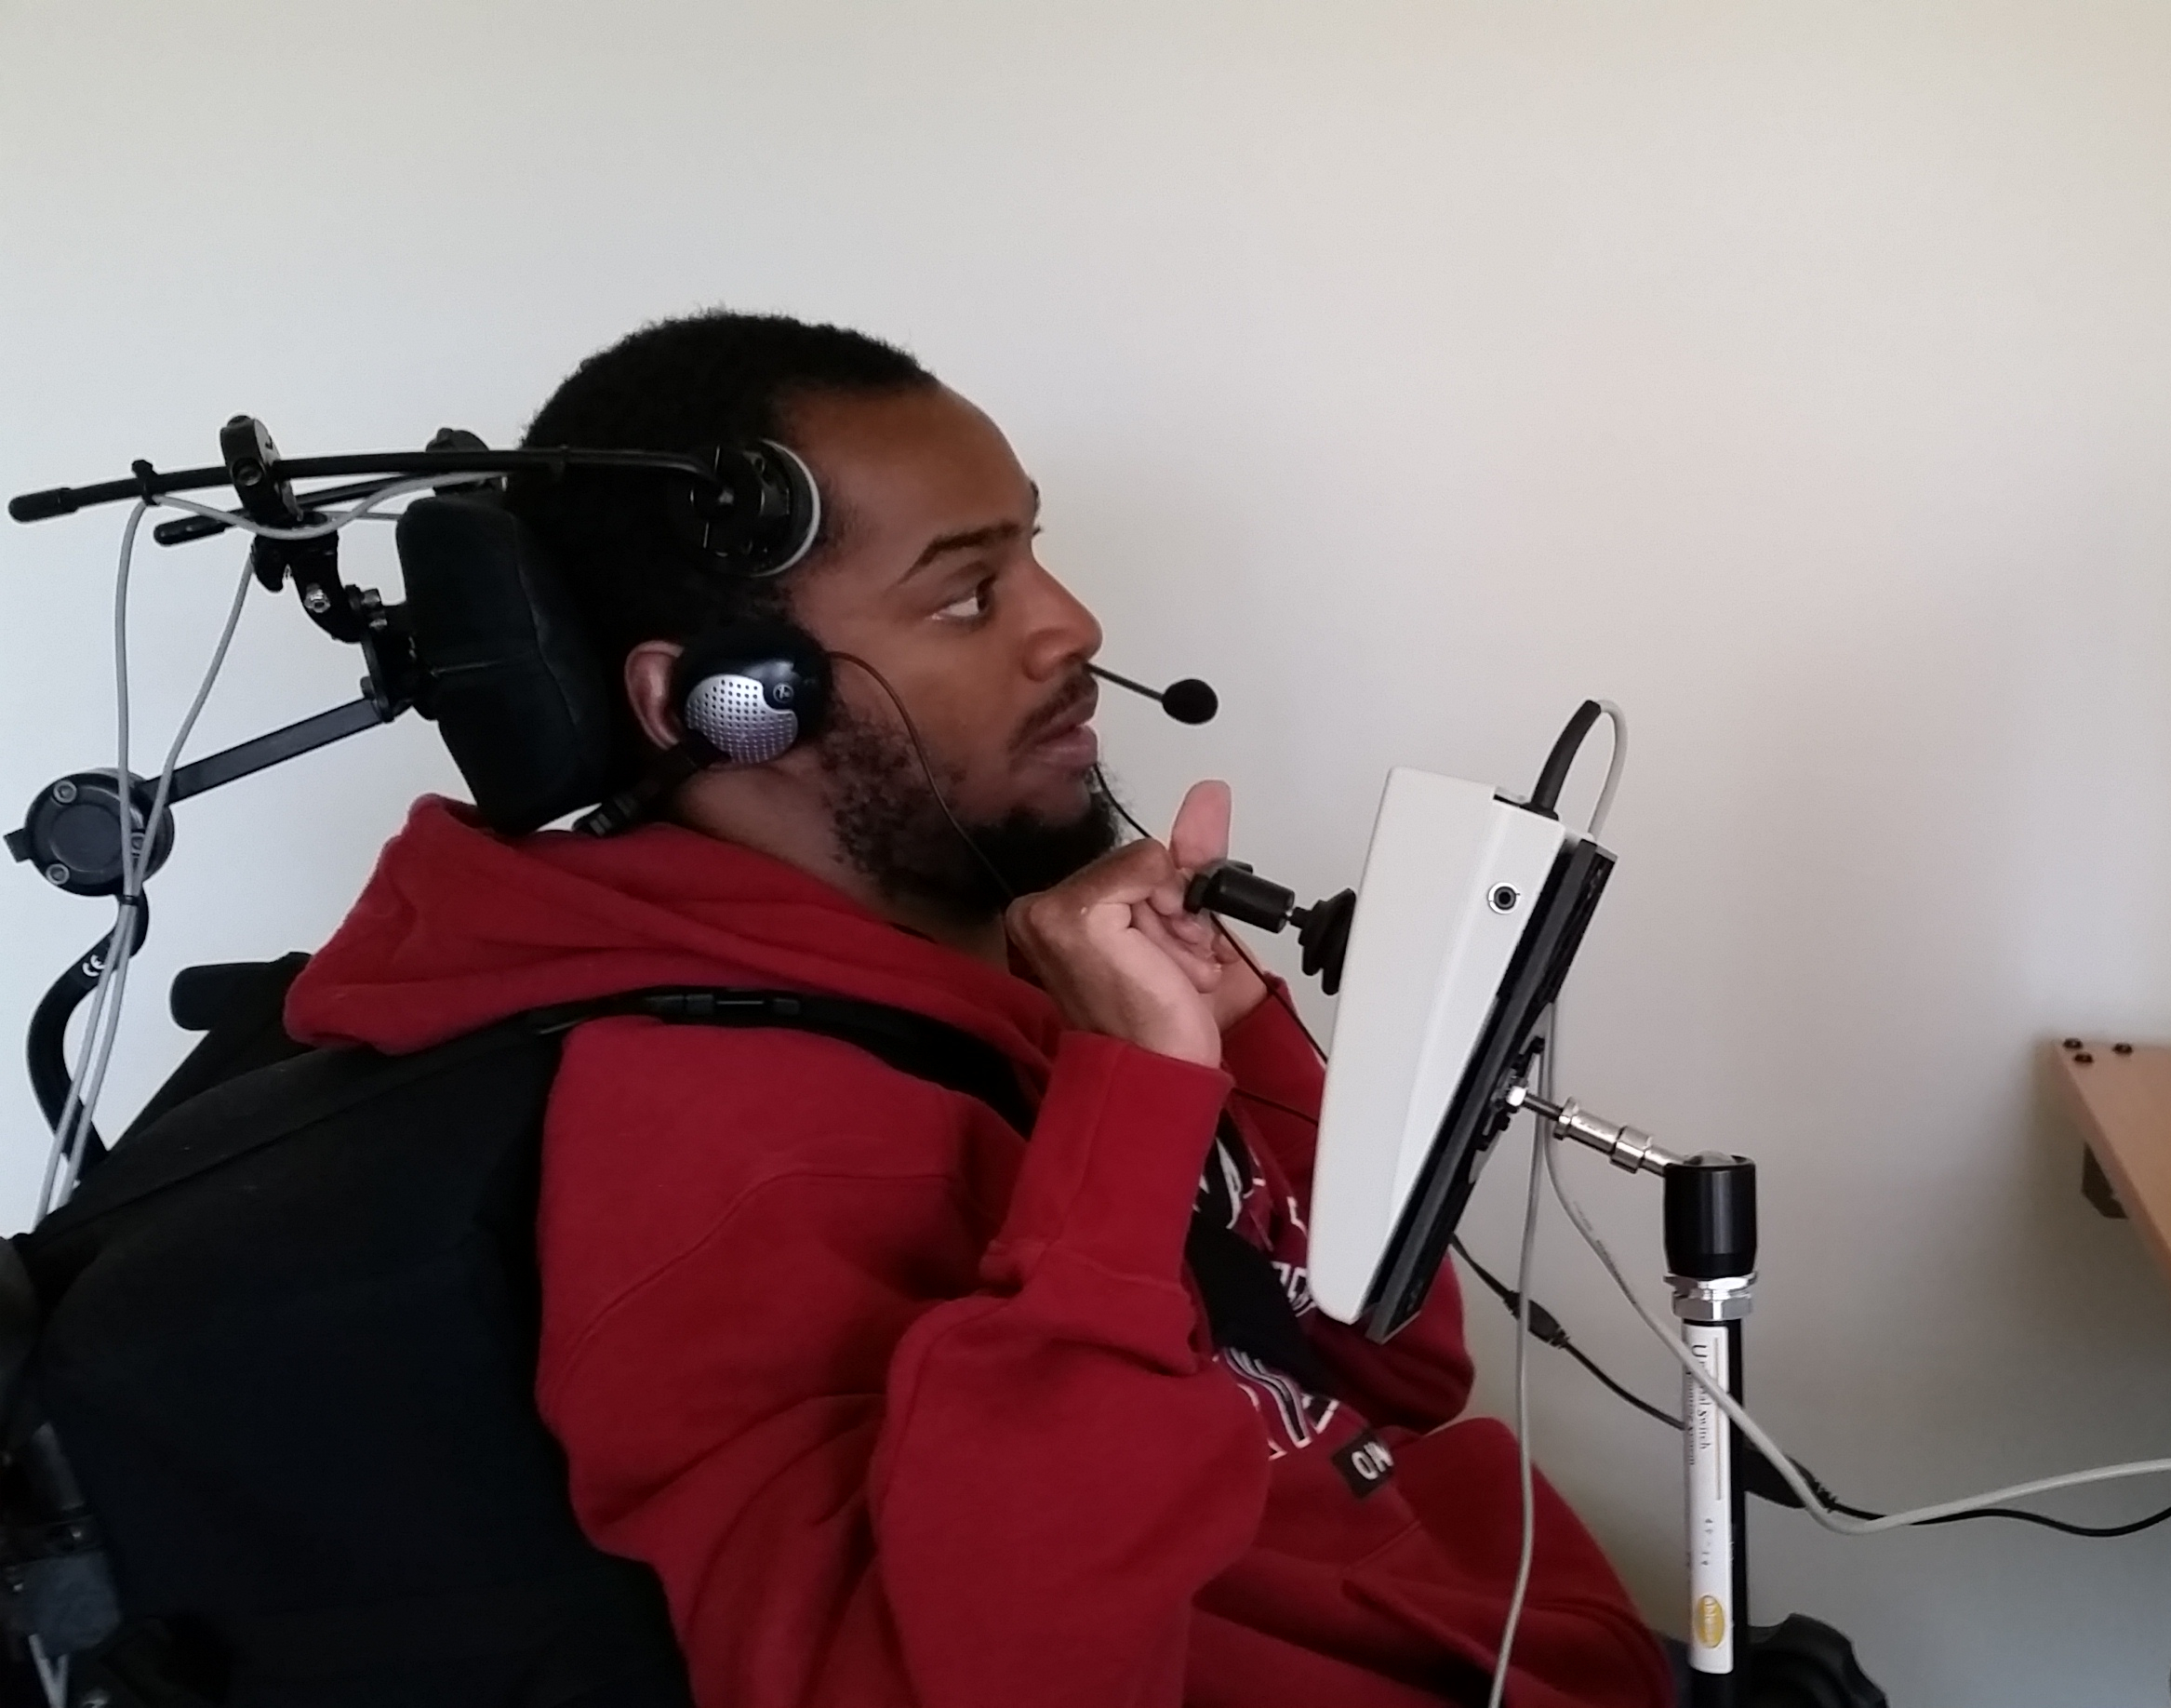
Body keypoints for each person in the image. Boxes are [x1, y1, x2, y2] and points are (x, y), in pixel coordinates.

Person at [279, 312, 1670, 1708]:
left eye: (1033, 554)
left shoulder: (1000, 975)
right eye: (966, 596)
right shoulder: (702, 1137)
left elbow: (1390, 1367)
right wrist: (1129, 1112)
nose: (1072, 623)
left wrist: (1231, 1039)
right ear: (723, 706)